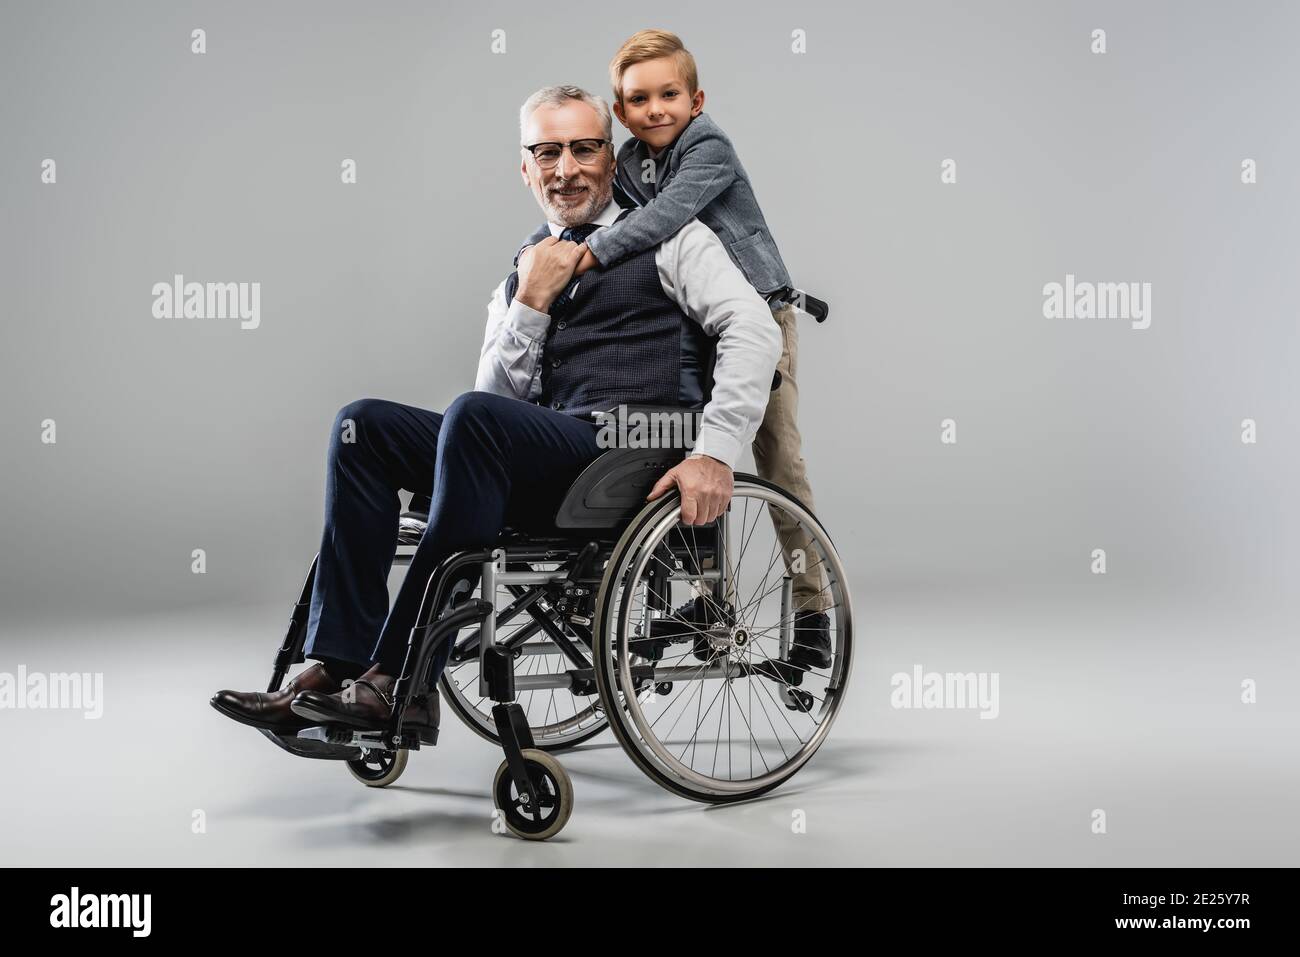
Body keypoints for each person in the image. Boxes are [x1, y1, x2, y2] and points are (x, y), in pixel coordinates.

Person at [210, 84, 782, 736]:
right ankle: (336, 664)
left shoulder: (674, 239)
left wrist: (713, 453)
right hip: (546, 454)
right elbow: (494, 399)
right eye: (547, 153)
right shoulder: (521, 270)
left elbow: (755, 331)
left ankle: (398, 678)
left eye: (583, 149)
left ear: (610, 156)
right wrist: (530, 304)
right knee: (363, 425)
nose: (564, 170)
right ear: (526, 167)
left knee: (474, 418)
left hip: (630, 450)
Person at [517, 30, 832, 669]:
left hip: (759, 314)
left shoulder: (707, 148)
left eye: (669, 95)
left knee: (777, 463)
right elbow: (613, 211)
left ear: (696, 99)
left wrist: (590, 254)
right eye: (637, 99)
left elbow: (666, 221)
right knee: (672, 435)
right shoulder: (626, 160)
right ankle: (699, 596)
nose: (655, 109)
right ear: (621, 109)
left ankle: (811, 610)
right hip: (686, 319)